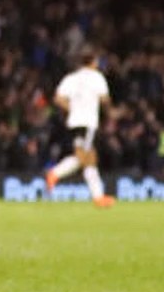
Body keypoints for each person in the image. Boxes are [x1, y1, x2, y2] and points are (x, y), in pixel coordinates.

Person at [44, 48, 115, 207]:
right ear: (94, 62)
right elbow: (104, 99)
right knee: (83, 158)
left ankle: (98, 197)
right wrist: (110, 110)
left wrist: (73, 109)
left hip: (74, 122)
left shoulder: (72, 78)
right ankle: (54, 173)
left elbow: (58, 98)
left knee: (90, 158)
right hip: (88, 122)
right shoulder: (97, 78)